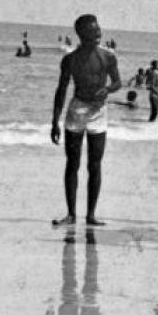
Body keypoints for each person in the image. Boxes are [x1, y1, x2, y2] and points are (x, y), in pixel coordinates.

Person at [49, 14, 121, 227]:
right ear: (81, 34)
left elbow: (117, 82)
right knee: (73, 163)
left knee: (95, 165)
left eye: (98, 29)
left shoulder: (107, 56)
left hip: (98, 112)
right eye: (92, 30)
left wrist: (107, 89)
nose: (98, 33)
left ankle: (91, 215)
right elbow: (61, 90)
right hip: (77, 110)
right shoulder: (70, 59)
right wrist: (55, 121)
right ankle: (71, 214)